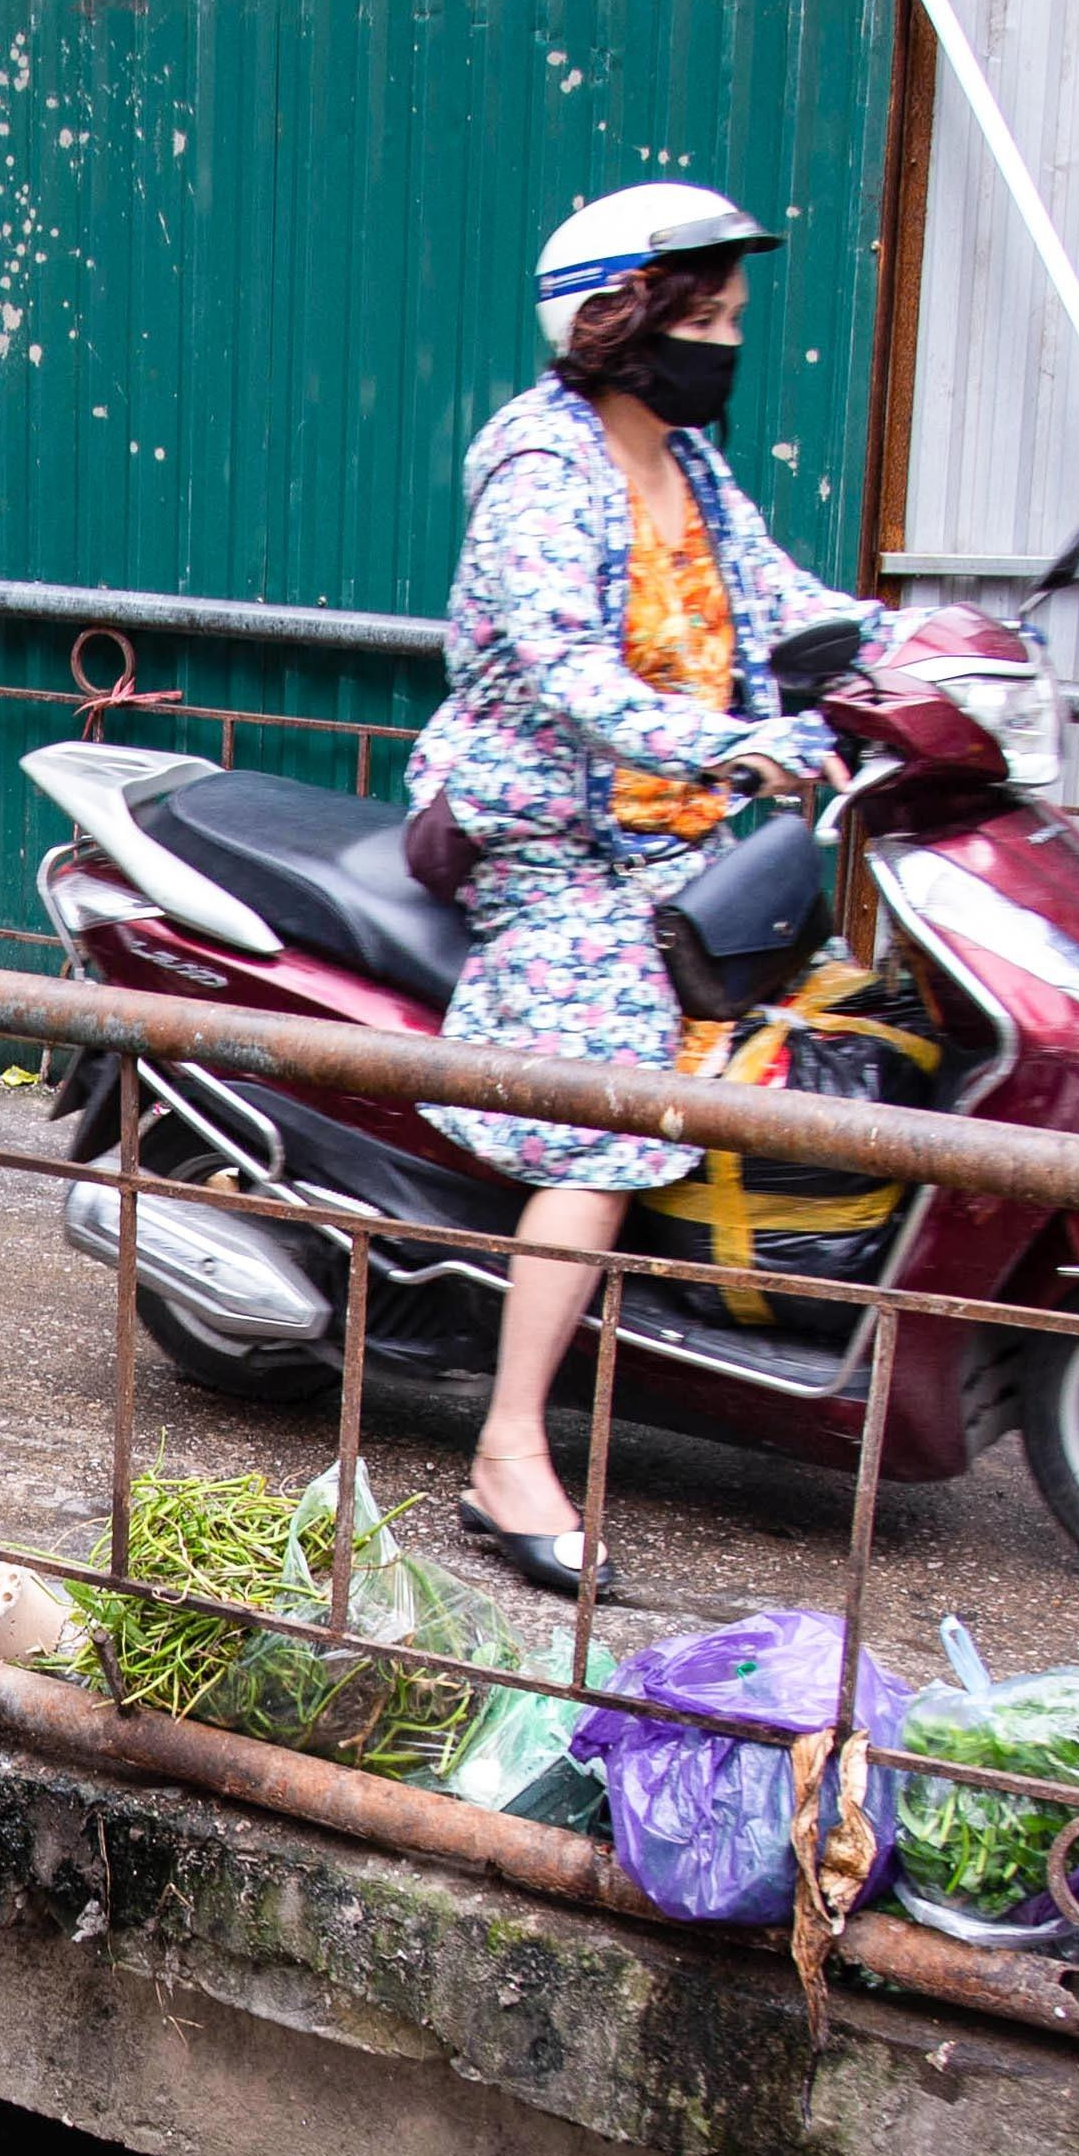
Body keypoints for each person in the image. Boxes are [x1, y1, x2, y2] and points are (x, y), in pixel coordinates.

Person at [402, 180, 870, 1594]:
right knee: (613, 1116)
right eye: (703, 316)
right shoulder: (540, 476)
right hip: (551, 849)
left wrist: (927, 656)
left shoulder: (689, 463)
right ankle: (505, 1456)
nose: (725, 342)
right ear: (618, 319)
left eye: (732, 316)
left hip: (677, 835)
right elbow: (572, 678)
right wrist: (743, 744)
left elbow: (785, 602)